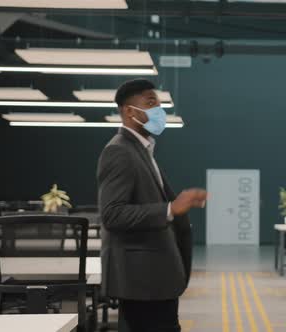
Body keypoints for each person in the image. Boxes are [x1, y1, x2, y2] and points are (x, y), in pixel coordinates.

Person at [97, 79, 208, 332]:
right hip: (140, 279)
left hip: (154, 277)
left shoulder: (141, 151)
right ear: (129, 111)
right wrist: (169, 209)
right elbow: (113, 214)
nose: (159, 108)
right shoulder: (119, 151)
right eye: (150, 102)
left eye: (159, 102)